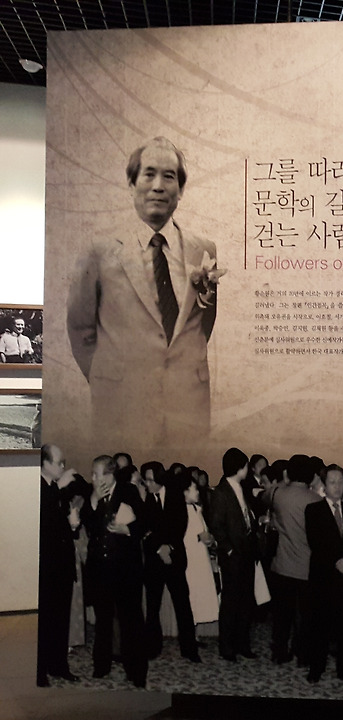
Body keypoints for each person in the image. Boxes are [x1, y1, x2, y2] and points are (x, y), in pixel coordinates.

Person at [66, 136, 220, 451]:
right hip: (122, 411)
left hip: (188, 410)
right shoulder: (100, 250)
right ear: (131, 183)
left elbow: (204, 324)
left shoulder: (203, 249)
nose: (158, 186)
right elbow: (81, 328)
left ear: (181, 189)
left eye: (169, 176)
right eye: (149, 174)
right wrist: (111, 380)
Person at [82, 458, 148, 687]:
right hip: (101, 568)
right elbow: (88, 526)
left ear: (109, 475)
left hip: (126, 569)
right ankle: (101, 665)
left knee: (131, 619)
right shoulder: (92, 494)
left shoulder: (129, 491)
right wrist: (93, 500)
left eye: (96, 474)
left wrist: (126, 528)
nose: (93, 478)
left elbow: (145, 522)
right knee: (103, 619)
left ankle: (136, 671)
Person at [304, 465, 343, 684]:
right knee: (320, 626)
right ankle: (316, 668)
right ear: (324, 485)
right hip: (324, 577)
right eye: (332, 482)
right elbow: (317, 543)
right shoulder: (313, 510)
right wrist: (337, 561)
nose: (337, 486)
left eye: (340, 482)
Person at [139, 462, 200, 663]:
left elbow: (180, 524)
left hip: (175, 558)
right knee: (152, 607)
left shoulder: (174, 494)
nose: (148, 484)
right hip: (154, 560)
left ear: (160, 478)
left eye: (151, 480)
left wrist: (169, 547)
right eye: (145, 480)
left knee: (183, 604)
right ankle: (152, 647)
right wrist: (160, 548)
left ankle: (189, 649)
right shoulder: (146, 498)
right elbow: (145, 530)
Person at [265, 454, 320, 665]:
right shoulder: (316, 499)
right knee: (305, 615)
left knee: (281, 614)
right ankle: (302, 653)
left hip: (282, 563)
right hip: (306, 566)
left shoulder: (278, 494)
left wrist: (283, 482)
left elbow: (264, 496)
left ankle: (279, 651)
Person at [207, 447, 260, 663]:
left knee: (246, 601)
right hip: (232, 556)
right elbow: (216, 525)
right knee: (230, 602)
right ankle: (227, 647)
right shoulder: (221, 492)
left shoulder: (241, 488)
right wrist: (228, 549)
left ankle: (242, 644)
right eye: (246, 466)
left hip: (246, 553)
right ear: (240, 467)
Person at [37, 444, 79, 686]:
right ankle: (40, 671)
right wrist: (59, 488)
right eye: (59, 462)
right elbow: (42, 521)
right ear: (45, 463)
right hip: (46, 568)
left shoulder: (58, 489)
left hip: (62, 565)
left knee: (61, 619)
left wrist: (72, 526)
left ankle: (59, 665)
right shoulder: (40, 488)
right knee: (44, 621)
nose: (63, 466)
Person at [176, 473, 219, 633]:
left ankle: (193, 631)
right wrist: (205, 537)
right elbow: (192, 536)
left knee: (198, 592)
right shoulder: (184, 511)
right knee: (193, 592)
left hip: (199, 556)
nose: (198, 492)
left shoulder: (195, 509)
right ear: (185, 492)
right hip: (193, 558)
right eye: (194, 489)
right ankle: (190, 632)